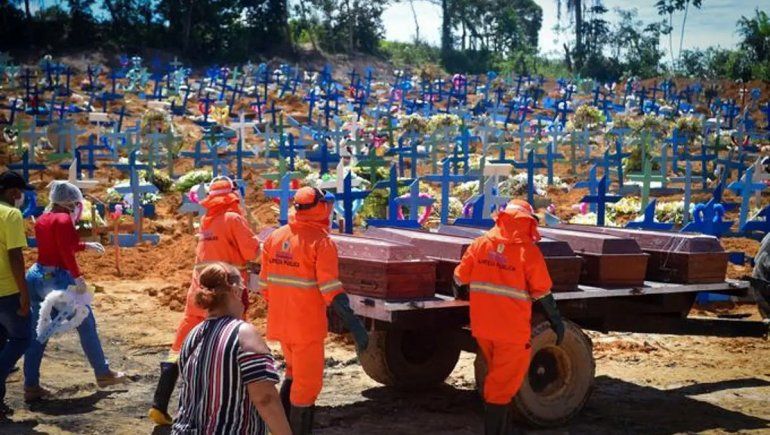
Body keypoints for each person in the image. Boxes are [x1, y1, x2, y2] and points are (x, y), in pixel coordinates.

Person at [258, 186, 369, 435]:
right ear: (319, 207)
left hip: (281, 323)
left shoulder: (275, 237)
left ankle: (280, 430)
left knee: (293, 373)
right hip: (306, 327)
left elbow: (265, 285)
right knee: (307, 386)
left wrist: (285, 306)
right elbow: (330, 288)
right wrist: (354, 323)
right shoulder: (321, 242)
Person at [150, 176, 260, 425]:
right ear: (233, 194)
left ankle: (159, 404)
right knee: (229, 348)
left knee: (180, 346)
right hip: (226, 296)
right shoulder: (232, 218)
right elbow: (252, 252)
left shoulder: (207, 219)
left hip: (198, 292)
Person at [453, 200, 565, 435]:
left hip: (483, 328)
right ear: (528, 223)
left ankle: (503, 427)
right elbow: (542, 292)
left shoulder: (481, 244)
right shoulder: (528, 252)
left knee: (498, 378)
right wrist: (556, 321)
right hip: (511, 332)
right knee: (502, 386)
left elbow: (459, 278)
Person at [23, 181, 126, 402]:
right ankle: (103, 372)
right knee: (85, 321)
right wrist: (78, 277)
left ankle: (30, 385)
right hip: (56, 279)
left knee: (39, 331)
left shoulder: (42, 219)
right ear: (69, 201)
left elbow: (56, 245)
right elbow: (64, 251)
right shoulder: (63, 220)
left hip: (36, 275)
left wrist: (85, 246)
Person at [172, 262, 290, 435]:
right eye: (243, 285)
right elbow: (265, 398)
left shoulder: (192, 335)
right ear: (235, 291)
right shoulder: (244, 334)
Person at [0, 171, 33, 416]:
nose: (20, 196)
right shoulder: (11, 215)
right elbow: (15, 256)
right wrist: (24, 293)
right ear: (12, 192)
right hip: (7, 291)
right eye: (19, 192)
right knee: (22, 338)